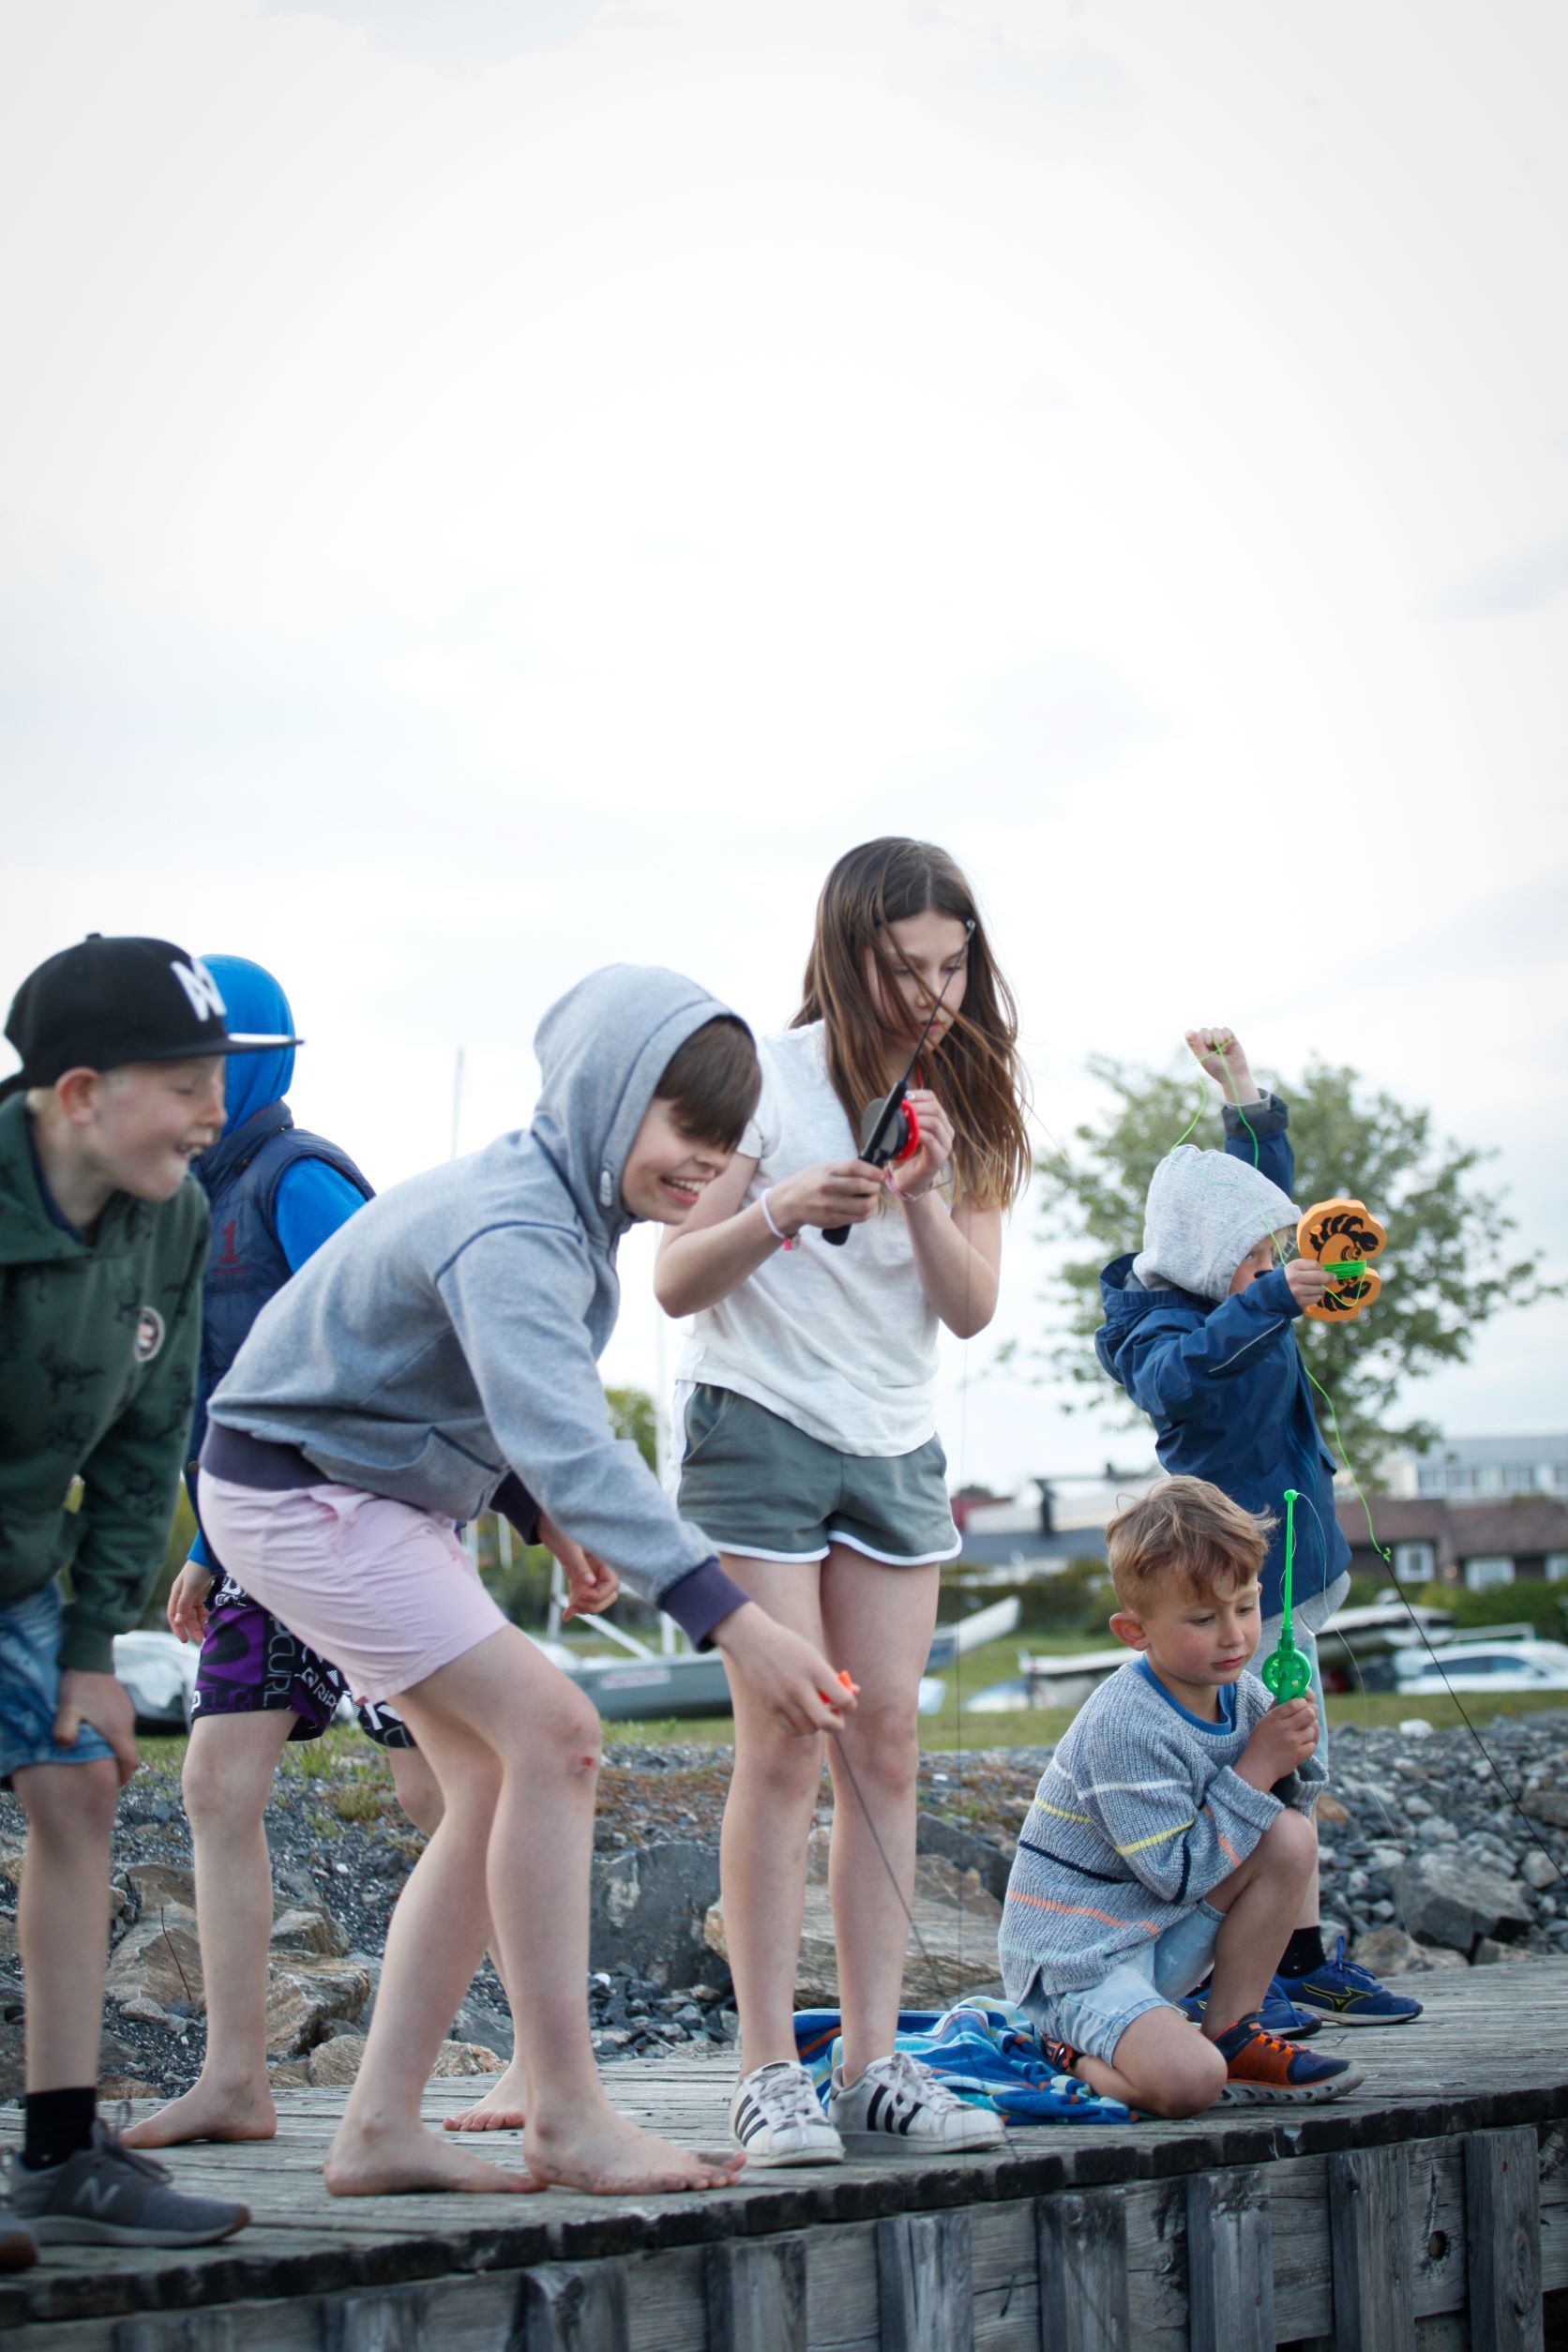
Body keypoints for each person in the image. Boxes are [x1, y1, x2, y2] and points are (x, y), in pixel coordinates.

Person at [195, 966, 852, 2200]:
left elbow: (433, 1376)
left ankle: (382, 2125)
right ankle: (567, 2113)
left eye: (729, 1145)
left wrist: (525, 1508)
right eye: (685, 1132)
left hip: (348, 1481)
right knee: (557, 1732)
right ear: (606, 1099)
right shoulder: (521, 1225)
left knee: (498, 1773)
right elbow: (561, 1429)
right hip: (304, 1493)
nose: (706, 1167)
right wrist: (733, 1621)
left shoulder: (552, 1204)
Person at [655, 838, 1031, 2165]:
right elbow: (673, 1282)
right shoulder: (760, 1073)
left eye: (954, 964)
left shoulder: (969, 1090)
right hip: (755, 1422)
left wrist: (921, 1200)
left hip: (893, 1438)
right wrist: (778, 1209)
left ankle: (876, 2068)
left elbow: (972, 1308)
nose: (935, 994)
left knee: (885, 1753)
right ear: (846, 954)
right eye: (906, 968)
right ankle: (768, 2071)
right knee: (785, 1745)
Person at [126, 955, 467, 2152]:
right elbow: (204, 1396)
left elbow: (385, 1330)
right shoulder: (168, 1205)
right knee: (217, 1785)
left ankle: (540, 2051)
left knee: (448, 1788)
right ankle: (235, 2079)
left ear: (243, 1070)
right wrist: (210, 1544)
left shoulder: (298, 1180)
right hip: (259, 1542)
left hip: (366, 1532)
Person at [0, 937, 286, 2259]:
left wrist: (90, 1650)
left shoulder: (168, 1212)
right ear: (76, 1094)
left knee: (76, 1779)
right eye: (182, 1083)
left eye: (216, 1078)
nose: (213, 1113)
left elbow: (142, 1434)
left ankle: (61, 2158)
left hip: (22, 1557)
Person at [1093, 1026, 1420, 2029]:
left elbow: (1259, 1197)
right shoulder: (1159, 1331)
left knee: (1295, 1765)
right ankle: (1277, 1967)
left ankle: (1295, 1958)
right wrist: (1271, 1296)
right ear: (1200, 1257)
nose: (1275, 1262)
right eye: (1255, 1256)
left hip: (1299, 1576)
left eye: (1275, 1253)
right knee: (1267, 1770)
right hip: (1242, 1602)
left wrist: (1244, 1096)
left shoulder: (1242, 1281)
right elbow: (1178, 1382)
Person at [1000, 1479, 1364, 2114]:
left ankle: (1233, 2030)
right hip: (1076, 1963)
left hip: (1153, 1934)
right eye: (1203, 1618)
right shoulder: (1124, 1726)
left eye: (1245, 1608)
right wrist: (1256, 1767)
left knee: (1290, 1836)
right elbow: (1176, 1874)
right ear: (1133, 1631)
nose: (1234, 1637)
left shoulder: (1245, 1697)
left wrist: (1291, 1758)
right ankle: (1057, 2050)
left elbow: (1274, 1822)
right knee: (1191, 2083)